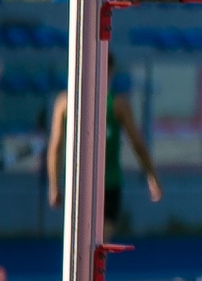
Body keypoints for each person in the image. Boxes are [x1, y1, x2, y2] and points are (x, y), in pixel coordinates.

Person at [45, 68, 163, 231]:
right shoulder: (115, 104)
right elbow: (138, 144)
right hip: (101, 184)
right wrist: (151, 176)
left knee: (84, 235)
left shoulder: (68, 102)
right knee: (98, 237)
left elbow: (56, 146)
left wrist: (54, 185)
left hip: (87, 184)